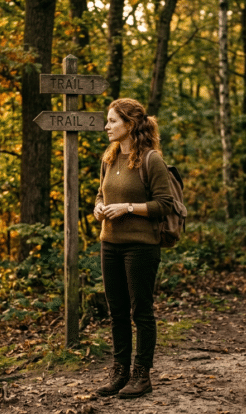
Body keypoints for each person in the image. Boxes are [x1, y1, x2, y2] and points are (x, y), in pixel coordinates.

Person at [93, 98, 174, 399]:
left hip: (141, 247)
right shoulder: (109, 159)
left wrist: (128, 207)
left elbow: (164, 205)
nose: (107, 126)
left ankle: (142, 375)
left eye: (112, 121)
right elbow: (99, 195)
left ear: (129, 124)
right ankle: (120, 371)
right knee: (116, 312)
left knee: (141, 311)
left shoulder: (151, 160)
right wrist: (99, 208)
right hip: (109, 244)